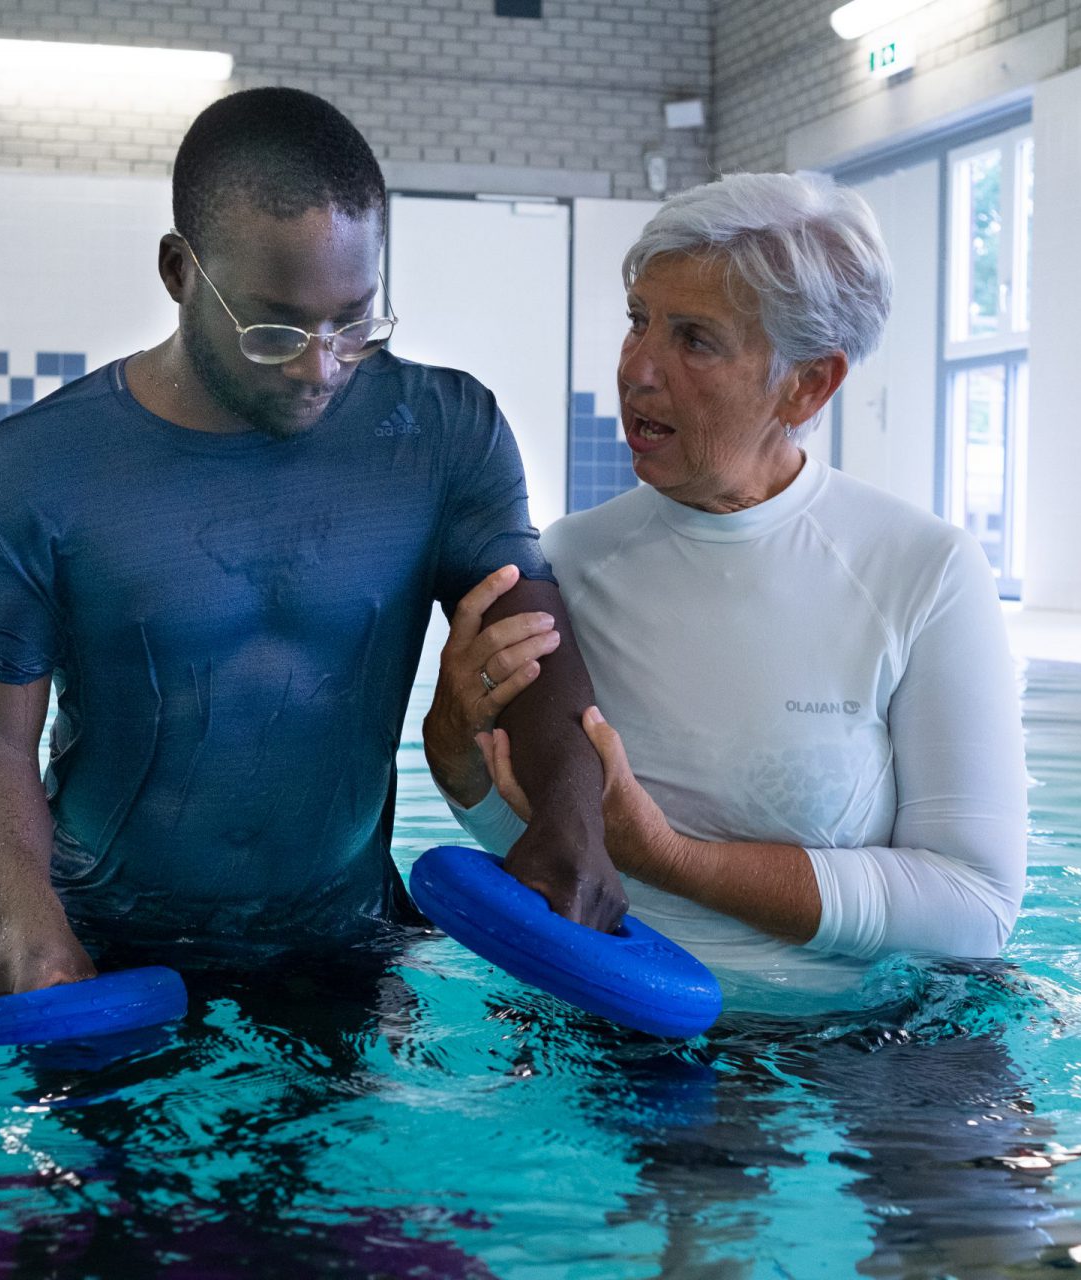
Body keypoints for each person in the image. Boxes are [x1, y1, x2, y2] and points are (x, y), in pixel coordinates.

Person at [0, 87, 624, 997]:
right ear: (180, 271)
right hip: (105, 947)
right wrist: (29, 927)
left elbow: (528, 633)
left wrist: (572, 827)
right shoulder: (34, 471)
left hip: (346, 936)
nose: (320, 364)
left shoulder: (444, 432)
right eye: (276, 330)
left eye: (354, 320)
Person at [425, 171, 1028, 1003]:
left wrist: (673, 859)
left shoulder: (922, 570)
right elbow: (546, 853)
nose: (637, 368)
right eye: (638, 322)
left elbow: (975, 906)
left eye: (694, 340)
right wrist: (457, 758)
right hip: (629, 1021)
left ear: (808, 383)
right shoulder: (571, 563)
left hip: (858, 1033)